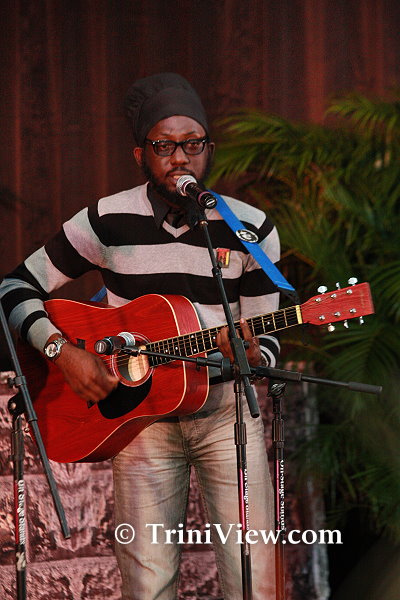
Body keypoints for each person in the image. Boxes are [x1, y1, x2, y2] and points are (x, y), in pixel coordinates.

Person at [0, 73, 280, 599]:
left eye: (193, 144)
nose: (181, 157)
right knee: (148, 584)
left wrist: (250, 352)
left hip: (226, 418)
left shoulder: (251, 228)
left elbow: (266, 340)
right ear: (140, 155)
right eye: (164, 146)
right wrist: (60, 351)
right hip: (140, 419)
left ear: (209, 150)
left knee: (256, 579)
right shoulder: (107, 220)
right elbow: (14, 286)